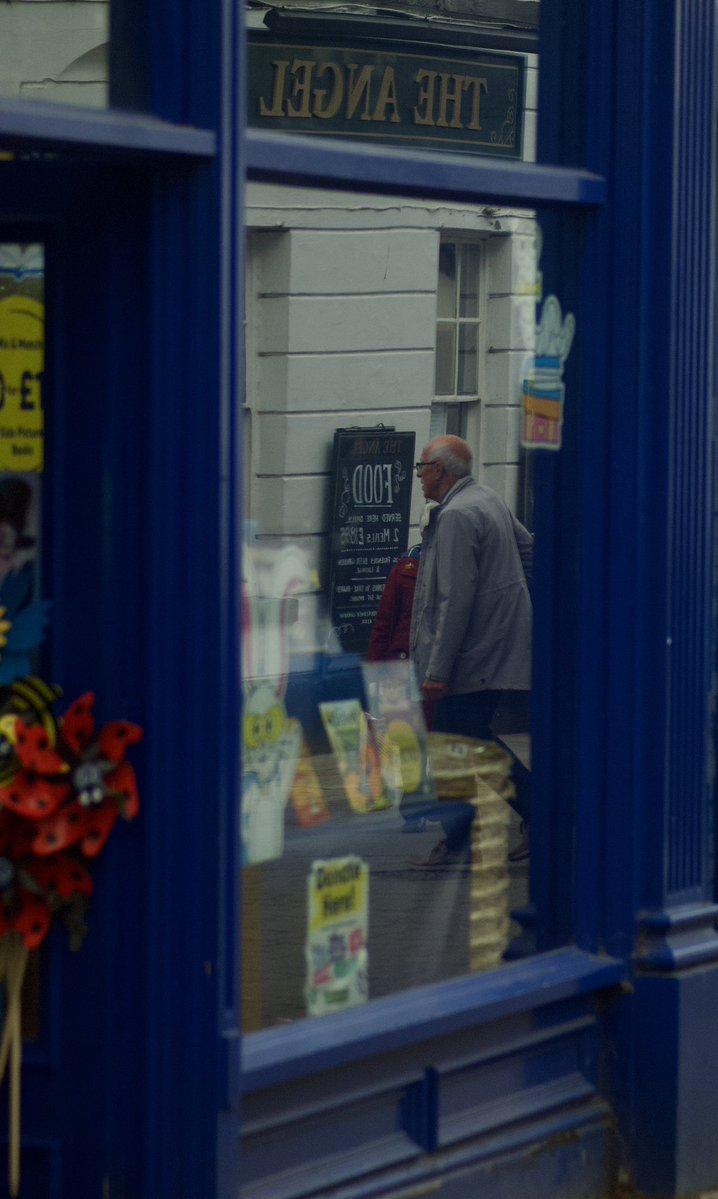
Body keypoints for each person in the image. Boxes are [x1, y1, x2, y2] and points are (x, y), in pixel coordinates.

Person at [408, 435, 533, 867]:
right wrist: (513, 611)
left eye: (422, 467)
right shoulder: (488, 498)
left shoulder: (458, 515)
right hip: (495, 646)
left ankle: (469, 836)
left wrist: (437, 670)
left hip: (471, 656)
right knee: (468, 740)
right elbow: (529, 552)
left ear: (440, 471)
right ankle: (478, 833)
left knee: (454, 743)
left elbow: (454, 599)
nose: (419, 475)